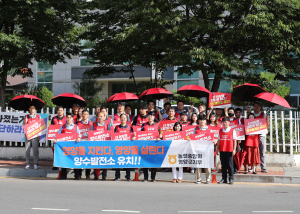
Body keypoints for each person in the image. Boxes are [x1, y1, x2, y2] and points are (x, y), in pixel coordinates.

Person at [54, 113, 81, 180]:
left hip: (73, 147)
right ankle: (63, 176)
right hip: (64, 148)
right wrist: (55, 139)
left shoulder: (76, 127)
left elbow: (79, 135)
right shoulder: (63, 126)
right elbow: (57, 135)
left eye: (70, 117)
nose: (69, 119)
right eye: (67, 117)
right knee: (64, 160)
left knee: (75, 160)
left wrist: (79, 138)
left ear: (72, 119)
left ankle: (76, 176)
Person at [194, 115, 216, 184]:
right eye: (200, 120)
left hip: (207, 149)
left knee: (207, 164)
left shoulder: (209, 129)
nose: (202, 121)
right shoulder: (196, 128)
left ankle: (208, 178)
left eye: (203, 120)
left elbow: (213, 137)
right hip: (198, 149)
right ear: (198, 121)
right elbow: (192, 137)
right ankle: (198, 178)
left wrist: (214, 141)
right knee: (198, 164)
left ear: (206, 121)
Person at [247, 101, 269, 173]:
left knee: (262, 152)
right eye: (255, 105)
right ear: (253, 107)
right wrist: (247, 113)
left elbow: (267, 124)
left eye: (258, 105)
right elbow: (248, 122)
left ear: (260, 107)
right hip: (253, 137)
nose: (256, 106)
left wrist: (267, 119)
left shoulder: (264, 114)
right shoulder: (251, 114)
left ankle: (263, 167)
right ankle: (253, 167)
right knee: (253, 152)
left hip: (262, 135)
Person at [140, 111, 161, 182]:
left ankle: (153, 178)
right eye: (149, 116)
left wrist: (160, 138)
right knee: (145, 162)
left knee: (153, 162)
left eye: (151, 116)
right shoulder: (144, 125)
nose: (150, 117)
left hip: (154, 146)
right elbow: (140, 134)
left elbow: (161, 134)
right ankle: (145, 178)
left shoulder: (157, 125)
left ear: (154, 117)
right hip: (145, 146)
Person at [217, 117, 237, 185]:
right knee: (223, 165)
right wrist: (217, 149)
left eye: (226, 122)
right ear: (222, 123)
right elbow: (219, 141)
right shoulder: (220, 130)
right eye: (224, 122)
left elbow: (235, 141)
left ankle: (231, 178)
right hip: (222, 150)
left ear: (229, 123)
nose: (225, 123)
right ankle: (224, 179)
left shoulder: (232, 130)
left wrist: (234, 150)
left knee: (230, 165)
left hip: (229, 150)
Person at [92, 112, 111, 180]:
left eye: (101, 116)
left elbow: (109, 135)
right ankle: (96, 175)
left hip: (105, 146)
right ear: (97, 117)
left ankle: (104, 175)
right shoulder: (94, 125)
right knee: (96, 160)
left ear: (104, 117)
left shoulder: (107, 125)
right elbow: (91, 134)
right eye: (99, 116)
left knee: (104, 160)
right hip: (96, 146)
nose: (100, 117)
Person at [114, 114, 132, 181]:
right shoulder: (117, 127)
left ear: (126, 119)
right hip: (118, 148)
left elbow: (133, 135)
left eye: (124, 118)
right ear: (120, 119)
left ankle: (128, 177)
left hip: (127, 148)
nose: (123, 119)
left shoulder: (130, 127)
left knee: (127, 162)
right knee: (118, 162)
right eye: (121, 118)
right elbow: (114, 136)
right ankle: (117, 176)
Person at [76, 110, 93, 179]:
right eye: (83, 114)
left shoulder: (91, 123)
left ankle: (87, 174)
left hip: (88, 143)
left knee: (88, 158)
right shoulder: (78, 123)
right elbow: (76, 132)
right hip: (80, 143)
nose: (85, 115)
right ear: (81, 115)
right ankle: (79, 174)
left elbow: (93, 132)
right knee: (80, 159)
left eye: (86, 114)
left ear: (88, 115)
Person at [23, 105, 41, 170]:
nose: (32, 109)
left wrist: (39, 135)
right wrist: (25, 123)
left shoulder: (38, 116)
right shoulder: (26, 116)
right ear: (29, 109)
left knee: (35, 150)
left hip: (35, 136)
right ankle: (28, 164)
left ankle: (36, 164)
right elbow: (24, 126)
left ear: (35, 109)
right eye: (31, 108)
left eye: (33, 108)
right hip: (28, 136)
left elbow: (40, 126)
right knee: (27, 151)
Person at [51, 106, 67, 170]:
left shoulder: (66, 118)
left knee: (63, 152)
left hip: (64, 138)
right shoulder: (54, 118)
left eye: (61, 110)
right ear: (57, 111)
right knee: (55, 151)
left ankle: (64, 164)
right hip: (55, 138)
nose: (60, 111)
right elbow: (51, 128)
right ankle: (55, 165)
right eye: (59, 110)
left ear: (63, 111)